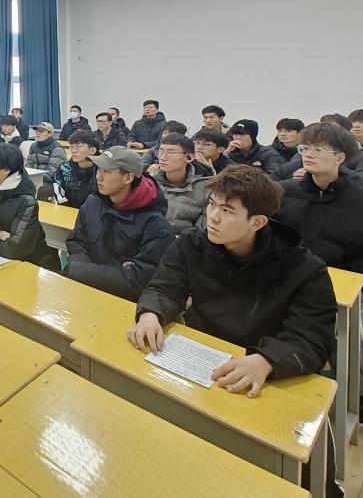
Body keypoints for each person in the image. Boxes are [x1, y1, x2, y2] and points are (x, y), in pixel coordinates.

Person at [129, 165, 335, 398]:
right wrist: (150, 314)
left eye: (227, 210)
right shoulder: (192, 243)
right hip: (201, 352)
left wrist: (267, 360)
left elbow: (312, 338)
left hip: (259, 365)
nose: (213, 216)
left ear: (257, 222)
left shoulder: (304, 268)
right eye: (212, 204)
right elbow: (164, 287)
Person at [276, 122, 363, 423]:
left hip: (350, 286)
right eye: (305, 148)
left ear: (340, 157)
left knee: (328, 321)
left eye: (318, 149)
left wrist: (344, 272)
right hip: (290, 278)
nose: (308, 154)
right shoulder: (285, 193)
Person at [64, 146, 176, 301]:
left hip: (124, 301)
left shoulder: (156, 225)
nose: (99, 177)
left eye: (107, 171)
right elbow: (77, 242)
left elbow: (139, 278)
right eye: (99, 169)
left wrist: (80, 270)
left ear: (128, 178)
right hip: (85, 288)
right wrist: (80, 269)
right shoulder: (92, 203)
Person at [276, 114, 363, 194]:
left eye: (331, 129)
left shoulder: (361, 157)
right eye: (321, 127)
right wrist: (303, 180)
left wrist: (329, 177)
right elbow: (276, 180)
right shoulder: (304, 154)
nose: (308, 154)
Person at [151, 134, 211, 234]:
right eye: (161, 151)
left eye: (171, 152)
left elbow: (203, 228)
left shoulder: (207, 187)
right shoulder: (150, 183)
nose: (163, 157)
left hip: (188, 240)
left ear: (189, 157)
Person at [40, 130, 98, 207]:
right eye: (71, 147)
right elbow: (59, 194)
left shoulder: (102, 170)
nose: (73, 151)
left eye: (78, 147)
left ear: (92, 150)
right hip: (68, 210)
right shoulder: (64, 169)